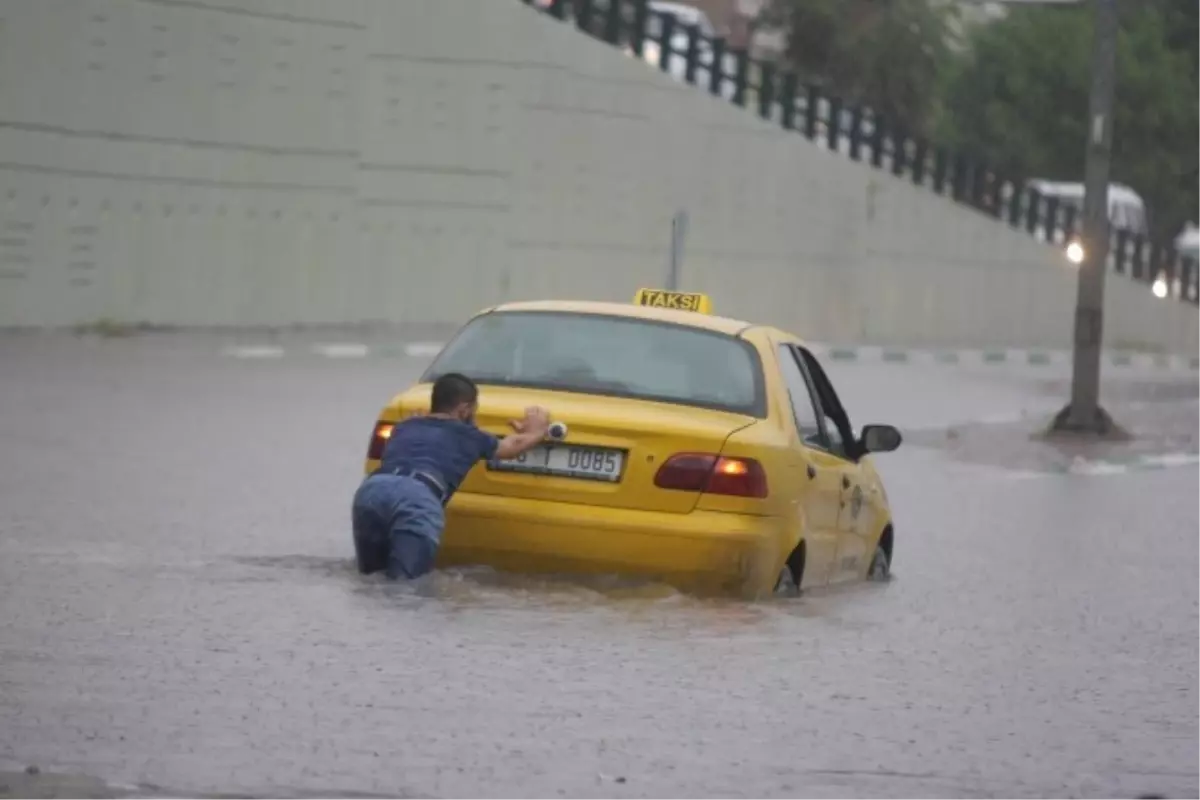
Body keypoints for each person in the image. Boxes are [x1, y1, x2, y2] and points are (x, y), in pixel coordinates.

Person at [351, 372, 550, 580]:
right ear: (464, 410)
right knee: (406, 588)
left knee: (370, 579)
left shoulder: (404, 426)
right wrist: (536, 431)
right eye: (474, 410)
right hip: (417, 498)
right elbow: (512, 447)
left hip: (371, 491)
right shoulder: (470, 436)